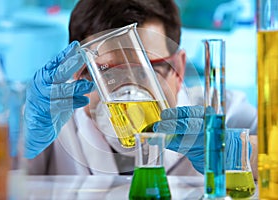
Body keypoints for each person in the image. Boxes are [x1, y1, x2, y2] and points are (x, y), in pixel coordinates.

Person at [25, 0, 258, 178]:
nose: (128, 90)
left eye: (145, 70)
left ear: (177, 68)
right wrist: (20, 147)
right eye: (107, 72)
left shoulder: (222, 109)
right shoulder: (47, 121)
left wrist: (237, 152)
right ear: (78, 74)